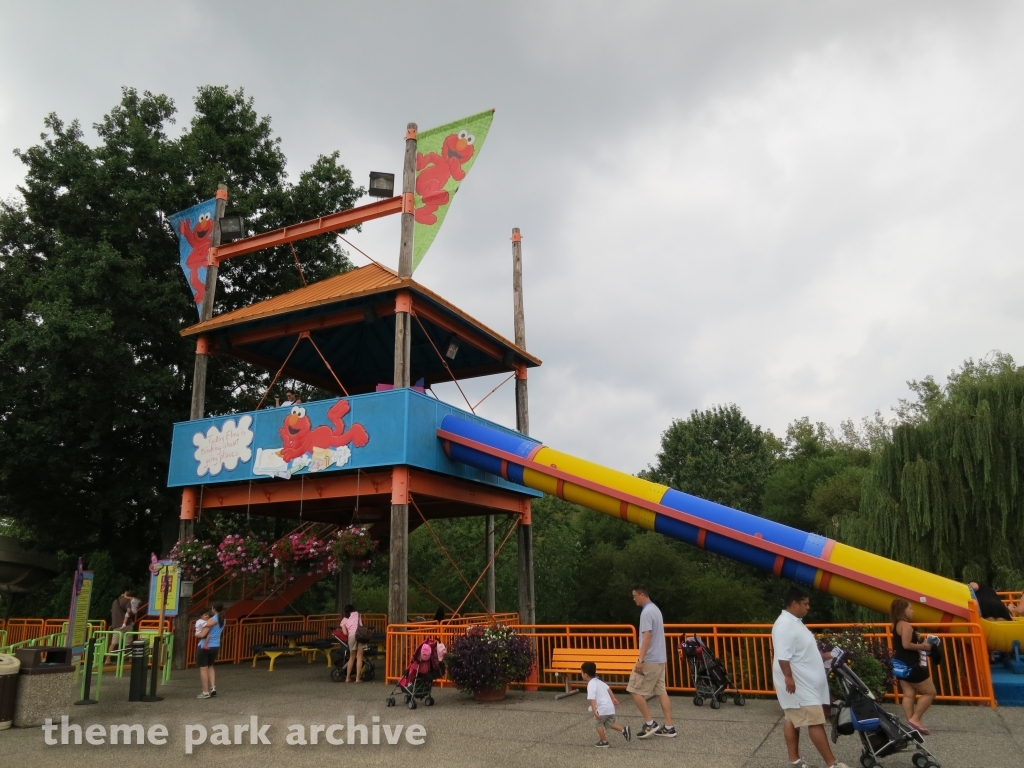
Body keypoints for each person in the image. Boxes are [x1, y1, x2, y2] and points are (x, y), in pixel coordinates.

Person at [772, 586, 849, 768]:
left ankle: (794, 760)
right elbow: (783, 656)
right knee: (815, 720)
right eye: (805, 604)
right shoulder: (785, 624)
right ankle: (832, 764)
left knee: (792, 719)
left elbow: (802, 652)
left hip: (801, 680)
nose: (808, 607)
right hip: (798, 682)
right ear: (794, 603)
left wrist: (826, 656)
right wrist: (789, 677)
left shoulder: (795, 622)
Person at [627, 584, 676, 739]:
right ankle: (669, 726)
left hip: (650, 659)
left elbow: (647, 637)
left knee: (634, 689)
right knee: (661, 691)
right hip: (660, 658)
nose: (633, 599)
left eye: (634, 596)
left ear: (642, 595)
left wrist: (640, 659)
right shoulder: (655, 609)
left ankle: (650, 723)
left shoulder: (646, 612)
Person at [891, 598, 936, 734]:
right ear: (903, 610)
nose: (912, 611)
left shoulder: (895, 624)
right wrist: (923, 646)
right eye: (910, 608)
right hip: (910, 664)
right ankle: (915, 719)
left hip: (899, 664)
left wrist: (914, 636)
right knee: (930, 692)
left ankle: (911, 725)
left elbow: (901, 641)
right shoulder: (906, 625)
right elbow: (906, 645)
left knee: (909, 694)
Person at [582, 661, 631, 747]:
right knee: (609, 723)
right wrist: (613, 698)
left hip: (602, 708)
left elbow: (592, 698)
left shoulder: (591, 684)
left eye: (581, 672)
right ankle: (623, 730)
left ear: (585, 674)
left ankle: (604, 741)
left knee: (598, 724)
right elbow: (608, 688)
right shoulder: (599, 681)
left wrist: (594, 710)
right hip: (610, 708)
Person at [196, 602, 224, 699]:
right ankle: (213, 687)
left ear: (213, 609)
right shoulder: (223, 619)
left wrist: (196, 634)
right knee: (210, 666)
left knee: (203, 669)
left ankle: (205, 692)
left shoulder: (212, 620)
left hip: (205, 646)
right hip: (216, 645)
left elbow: (202, 634)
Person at [340, 604, 367, 683]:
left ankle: (347, 678)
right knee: (359, 657)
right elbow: (360, 624)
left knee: (351, 657)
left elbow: (345, 633)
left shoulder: (343, 620)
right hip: (360, 635)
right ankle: (357, 678)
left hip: (351, 637)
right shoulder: (357, 614)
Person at [108, 588, 137, 655]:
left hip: (116, 624)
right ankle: (129, 658)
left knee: (113, 643)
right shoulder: (127, 600)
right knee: (128, 642)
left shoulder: (115, 601)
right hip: (127, 625)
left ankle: (107, 659)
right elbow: (129, 610)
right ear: (125, 592)